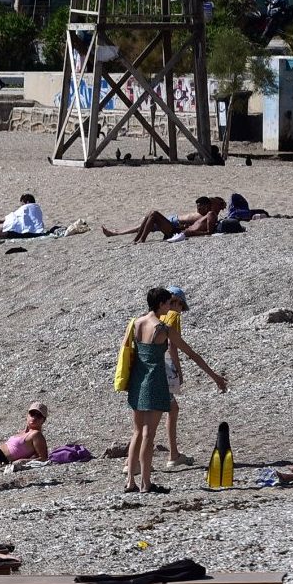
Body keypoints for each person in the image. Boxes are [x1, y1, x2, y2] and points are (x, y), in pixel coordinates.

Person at [158, 286, 228, 467]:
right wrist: (179, 371)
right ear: (176, 302)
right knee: (161, 413)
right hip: (164, 370)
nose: (181, 310)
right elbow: (173, 347)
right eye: (181, 305)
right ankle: (168, 456)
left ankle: (169, 454)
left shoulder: (155, 316)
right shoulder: (173, 317)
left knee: (165, 410)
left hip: (151, 369)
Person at [120, 286, 179, 494]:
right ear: (161, 304)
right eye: (168, 303)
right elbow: (189, 352)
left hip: (137, 380)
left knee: (137, 432)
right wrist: (215, 377)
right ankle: (146, 483)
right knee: (148, 433)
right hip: (154, 381)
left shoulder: (136, 323)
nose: (170, 307)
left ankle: (130, 481)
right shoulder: (162, 329)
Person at [105, 197, 223, 243]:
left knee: (154, 214)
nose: (197, 210)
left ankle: (141, 240)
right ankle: (137, 239)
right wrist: (186, 228)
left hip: (178, 233)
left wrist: (190, 233)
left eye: (199, 207)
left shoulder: (210, 214)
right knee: (151, 213)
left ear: (207, 206)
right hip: (178, 230)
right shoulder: (204, 215)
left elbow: (209, 232)